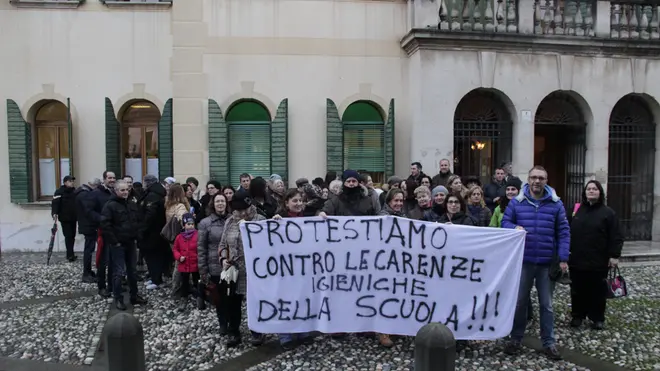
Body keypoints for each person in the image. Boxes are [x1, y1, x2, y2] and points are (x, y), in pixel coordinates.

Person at [502, 166, 570, 360]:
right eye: (533, 177)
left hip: (547, 263)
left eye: (541, 178)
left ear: (546, 181)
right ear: (528, 180)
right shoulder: (517, 203)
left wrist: (563, 258)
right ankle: (515, 338)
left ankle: (549, 342)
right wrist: (514, 226)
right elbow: (504, 223)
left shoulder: (556, 204)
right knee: (520, 302)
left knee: (546, 305)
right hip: (523, 262)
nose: (537, 181)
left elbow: (564, 232)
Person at [569, 180, 623, 330]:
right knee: (577, 290)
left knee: (597, 291)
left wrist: (614, 255)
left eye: (594, 189)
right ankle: (577, 315)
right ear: (584, 192)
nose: (591, 191)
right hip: (577, 259)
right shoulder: (576, 210)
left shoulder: (608, 213)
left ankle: (597, 317)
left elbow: (616, 235)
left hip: (598, 260)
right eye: (589, 189)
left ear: (600, 192)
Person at [218, 188, 267, 348]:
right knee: (232, 301)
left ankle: (257, 330)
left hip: (254, 269)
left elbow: (267, 243)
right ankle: (234, 331)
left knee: (254, 301)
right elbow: (223, 243)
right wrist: (224, 258)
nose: (243, 213)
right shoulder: (230, 221)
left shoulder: (260, 219)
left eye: (244, 209)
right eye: (238, 210)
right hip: (234, 269)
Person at [272, 190, 314, 350]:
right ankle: (285, 335)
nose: (298, 204)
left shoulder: (308, 220)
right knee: (285, 300)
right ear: (286, 203)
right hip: (285, 269)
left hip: (303, 268)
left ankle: (303, 331)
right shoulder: (279, 220)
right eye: (295, 201)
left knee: (303, 298)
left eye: (301, 201)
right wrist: (275, 224)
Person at [100, 180, 148, 310]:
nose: (125, 192)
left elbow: (137, 221)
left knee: (132, 271)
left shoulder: (131, 203)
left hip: (130, 242)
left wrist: (138, 236)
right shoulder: (110, 206)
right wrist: (114, 241)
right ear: (116, 191)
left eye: (127, 189)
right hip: (118, 244)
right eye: (122, 190)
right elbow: (105, 225)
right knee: (119, 272)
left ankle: (134, 295)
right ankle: (118, 298)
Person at [197, 193, 230, 333]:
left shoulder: (232, 220)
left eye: (223, 201)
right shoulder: (205, 223)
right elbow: (201, 248)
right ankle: (223, 323)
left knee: (233, 298)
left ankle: (233, 323)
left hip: (232, 264)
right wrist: (203, 270)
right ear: (213, 204)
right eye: (218, 201)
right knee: (220, 299)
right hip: (215, 265)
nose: (220, 204)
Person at [138, 175, 169, 290]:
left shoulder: (153, 195)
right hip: (155, 232)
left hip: (152, 232)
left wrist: (141, 229)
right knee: (154, 256)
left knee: (153, 257)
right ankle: (154, 277)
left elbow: (150, 215)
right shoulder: (156, 193)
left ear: (147, 183)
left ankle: (157, 279)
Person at [75, 178, 102, 282]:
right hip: (88, 225)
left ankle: (88, 271)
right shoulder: (85, 195)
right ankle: (86, 273)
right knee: (89, 250)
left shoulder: (81, 193)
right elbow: (89, 211)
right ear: (94, 186)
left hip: (85, 224)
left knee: (89, 249)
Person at [172, 213, 200, 312]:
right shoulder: (179, 237)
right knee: (184, 282)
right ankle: (184, 298)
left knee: (197, 280)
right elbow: (175, 249)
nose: (191, 226)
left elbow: (200, 248)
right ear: (184, 225)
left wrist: (198, 257)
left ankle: (199, 297)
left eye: (192, 224)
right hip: (184, 264)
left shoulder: (198, 235)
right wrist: (179, 257)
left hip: (195, 263)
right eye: (188, 224)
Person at [52, 175, 78, 262]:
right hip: (64, 218)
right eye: (70, 181)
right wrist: (54, 213)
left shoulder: (74, 191)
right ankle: (69, 255)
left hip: (73, 217)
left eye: (72, 181)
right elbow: (55, 204)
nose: (72, 183)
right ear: (65, 182)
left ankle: (71, 253)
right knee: (68, 236)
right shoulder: (59, 191)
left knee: (72, 236)